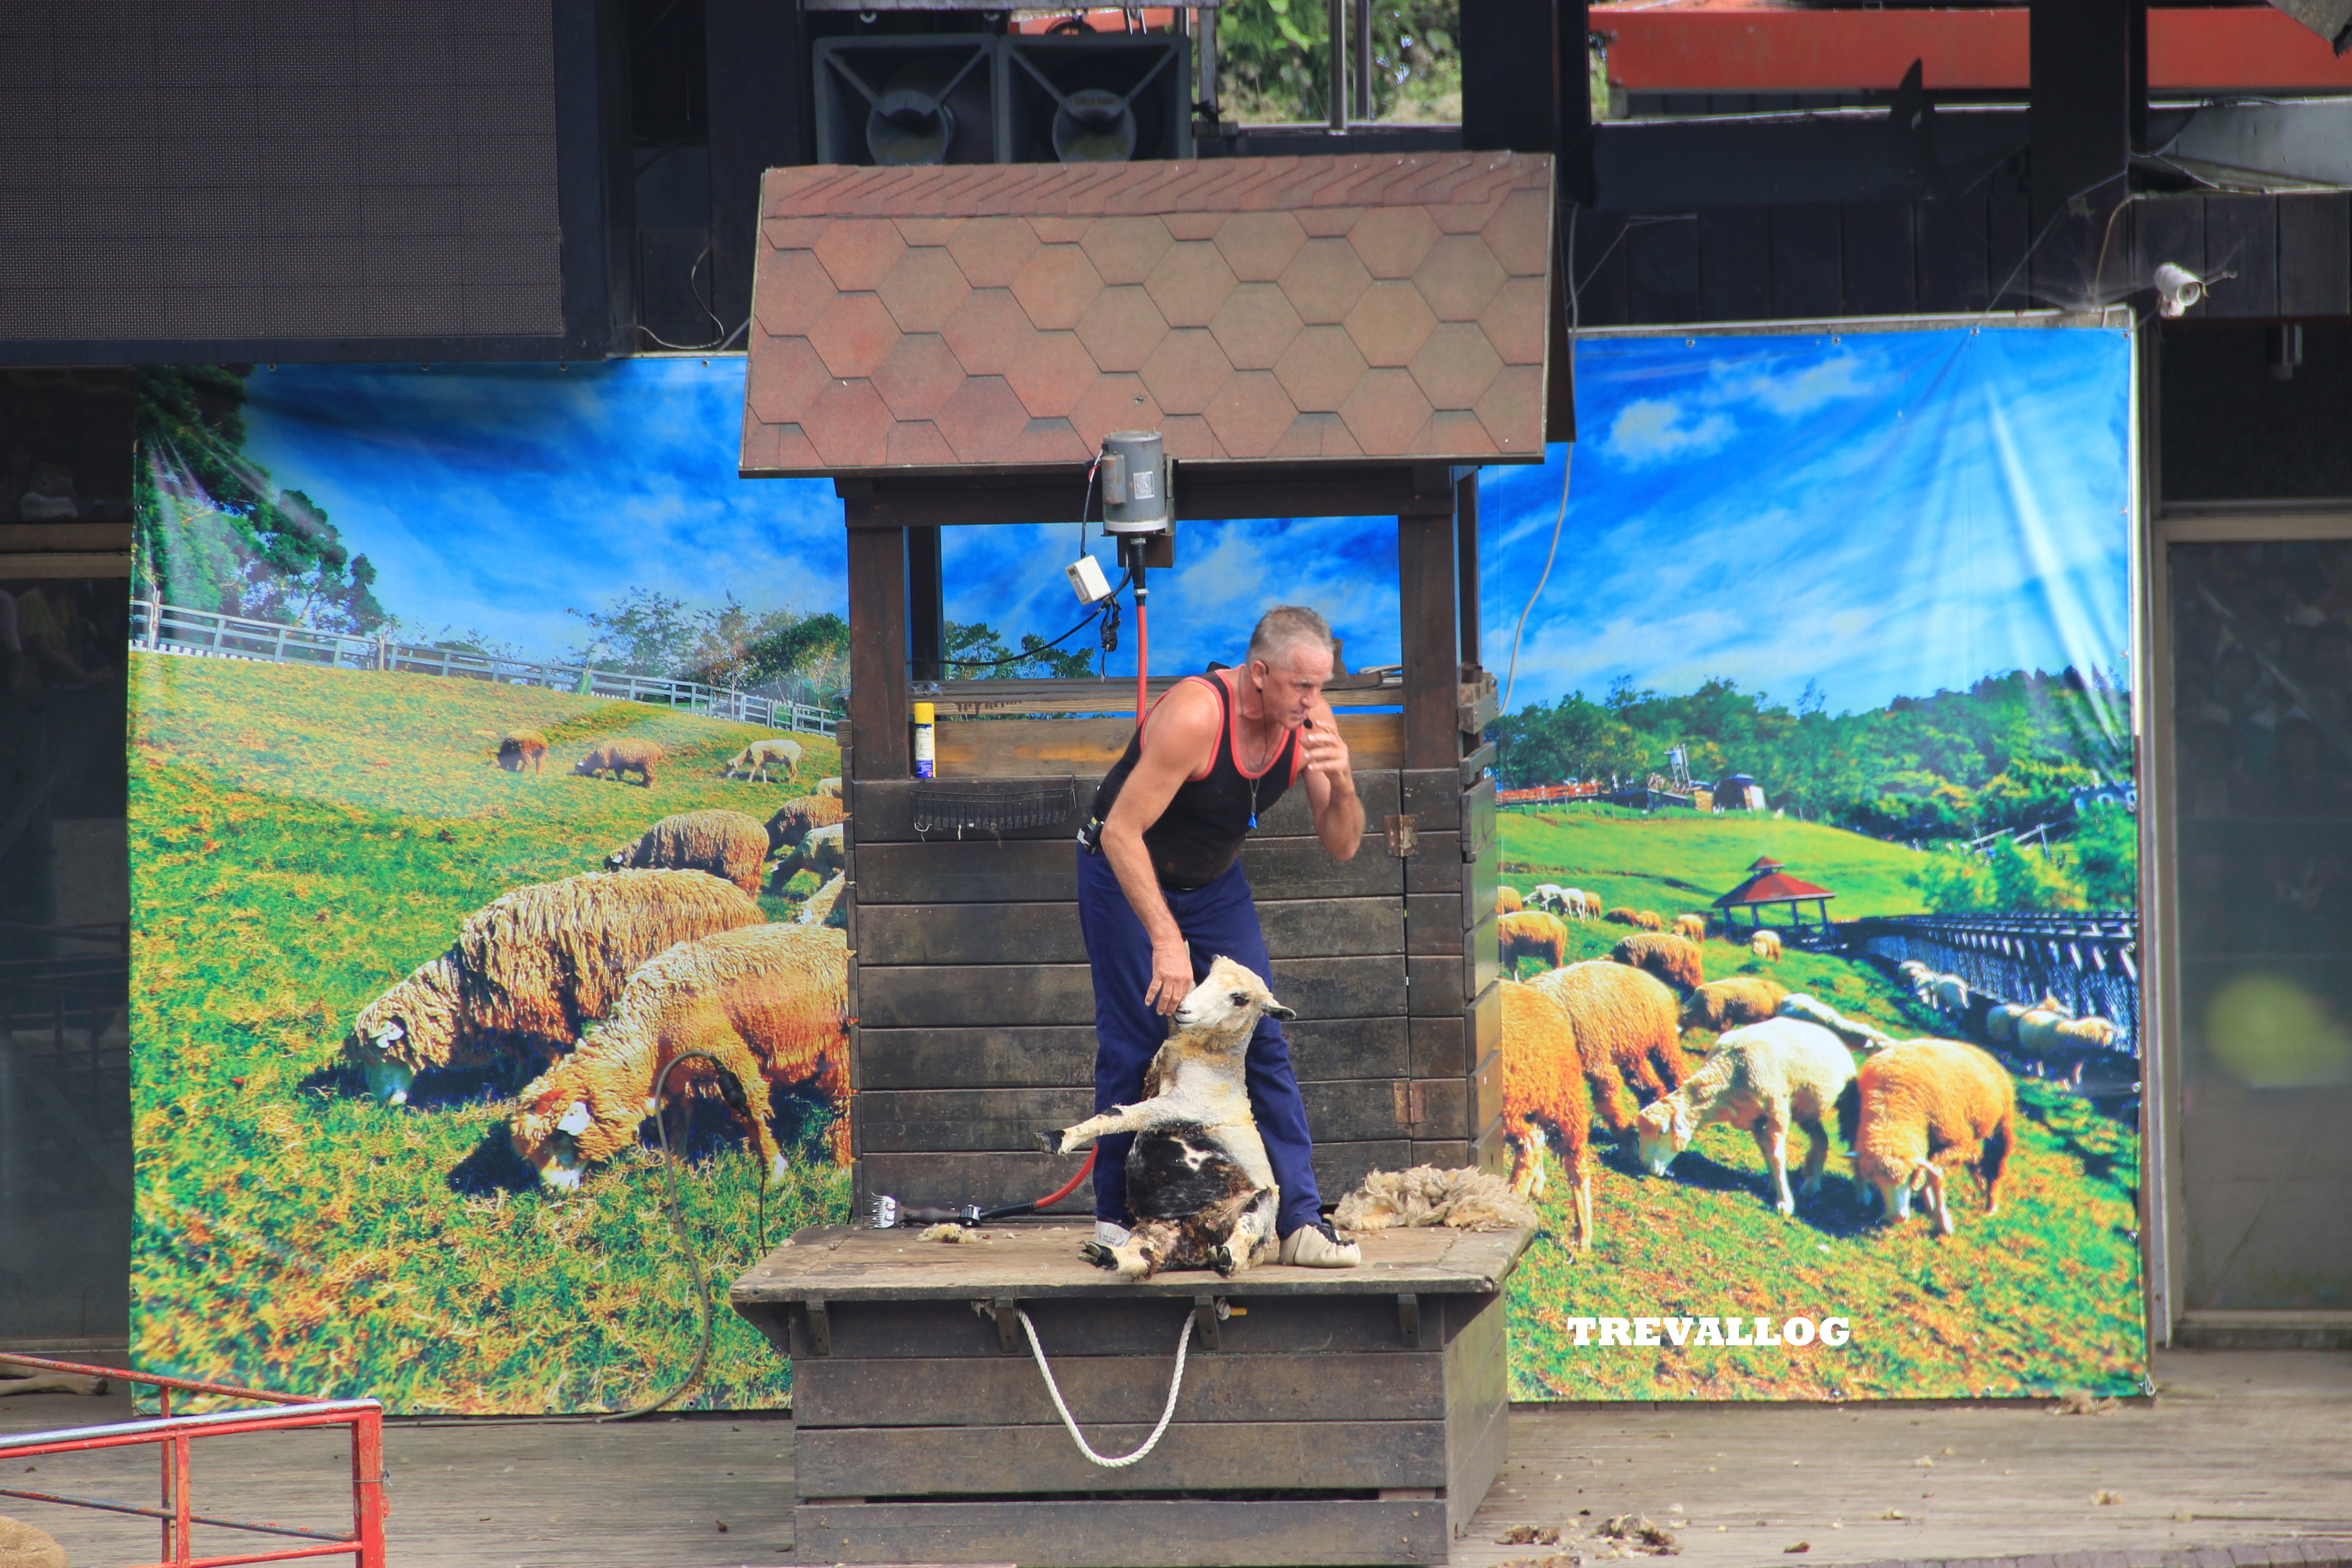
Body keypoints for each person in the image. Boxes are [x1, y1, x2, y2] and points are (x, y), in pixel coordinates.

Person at [1076, 604, 1365, 1267]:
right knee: (1139, 1036)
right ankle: (1115, 1219)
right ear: (1259, 674)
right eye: (1301, 686)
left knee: (1261, 1035)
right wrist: (1166, 940)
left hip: (1212, 884)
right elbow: (1121, 832)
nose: (1313, 701)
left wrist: (1343, 780)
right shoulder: (1197, 714)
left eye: (1322, 687)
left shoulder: (1308, 722)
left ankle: (1298, 1221)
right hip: (1126, 869)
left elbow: (1343, 845)